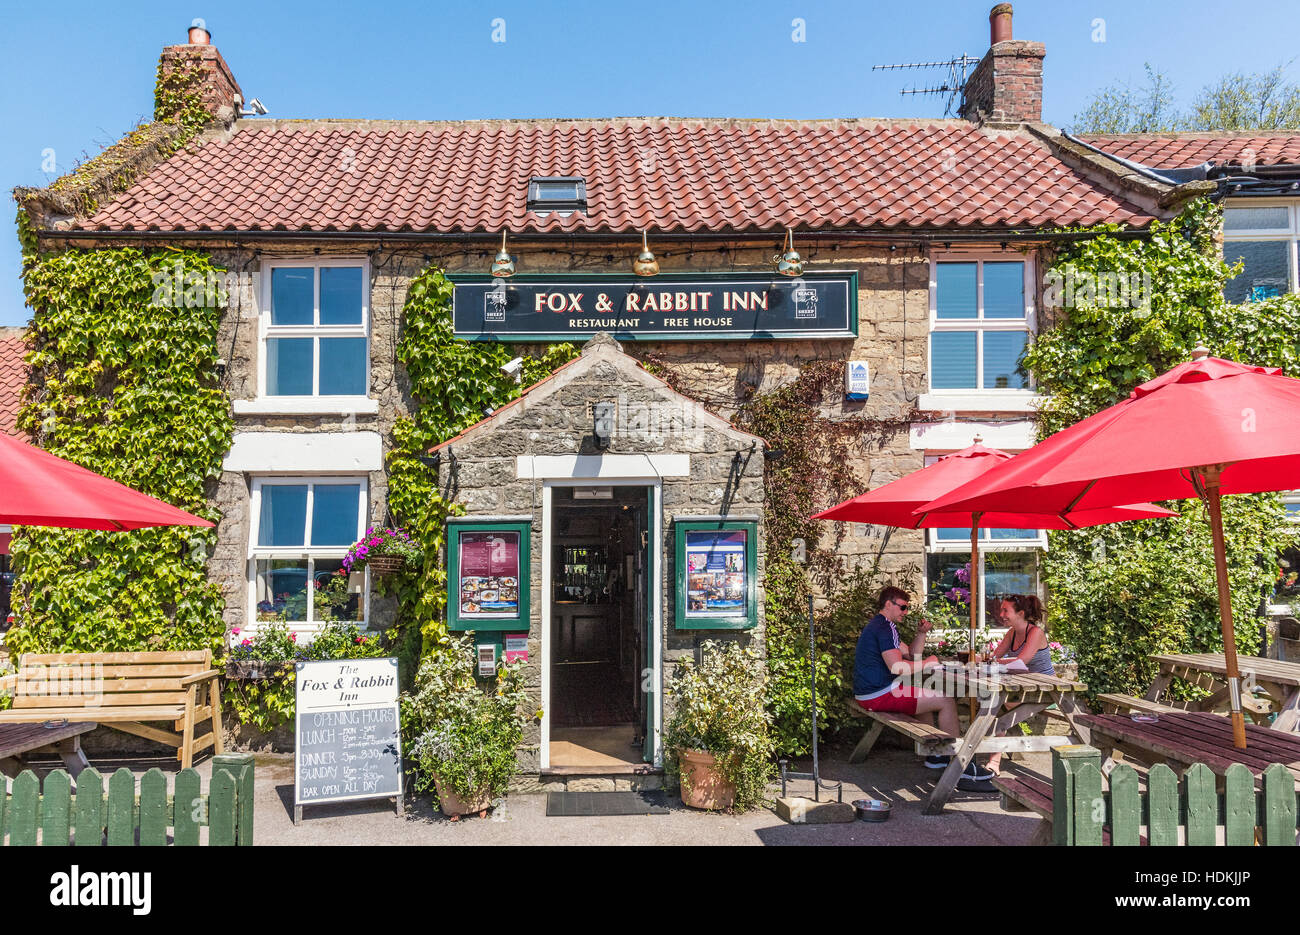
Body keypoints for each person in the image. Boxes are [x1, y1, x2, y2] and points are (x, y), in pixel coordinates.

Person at [853, 586, 994, 780]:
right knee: (945, 701)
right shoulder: (885, 628)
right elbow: (897, 667)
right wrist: (928, 663)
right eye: (902, 607)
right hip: (878, 694)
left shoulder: (880, 625)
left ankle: (936, 756)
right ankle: (958, 763)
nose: (906, 612)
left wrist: (921, 634)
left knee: (925, 700)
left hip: (870, 692)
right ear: (888, 604)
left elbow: (911, 654)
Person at [984, 593, 1053, 775]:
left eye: (1006, 610)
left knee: (996, 705)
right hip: (1023, 687)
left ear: (1020, 613)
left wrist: (993, 662)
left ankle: (993, 761)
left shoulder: (1035, 633)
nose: (1001, 614)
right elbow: (994, 657)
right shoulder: (1012, 633)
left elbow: (1022, 661)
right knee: (994, 702)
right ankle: (989, 757)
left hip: (1045, 690)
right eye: (1001, 610)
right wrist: (984, 659)